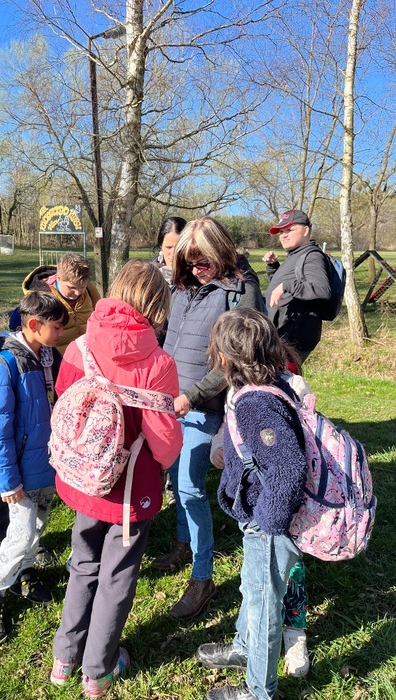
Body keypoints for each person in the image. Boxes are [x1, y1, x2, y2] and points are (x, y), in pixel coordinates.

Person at [50, 260, 183, 697]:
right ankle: (98, 669)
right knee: (117, 575)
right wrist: (164, 463)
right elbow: (164, 441)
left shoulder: (80, 345)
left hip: (83, 478)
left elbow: (64, 400)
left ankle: (64, 657)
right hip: (129, 488)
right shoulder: (158, 362)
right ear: (157, 305)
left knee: (82, 563)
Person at [151, 217, 264, 620]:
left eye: (204, 261)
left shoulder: (240, 291)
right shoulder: (181, 287)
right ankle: (184, 543)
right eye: (190, 261)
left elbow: (235, 359)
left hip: (203, 407)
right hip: (170, 403)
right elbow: (167, 338)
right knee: (176, 479)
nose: (198, 269)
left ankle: (203, 578)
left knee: (189, 487)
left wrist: (193, 395)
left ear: (222, 251)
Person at [196, 307, 307, 700]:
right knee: (253, 585)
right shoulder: (266, 386)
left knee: (264, 605)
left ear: (226, 357)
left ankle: (260, 690)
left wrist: (268, 523)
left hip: (268, 522)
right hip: (259, 516)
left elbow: (288, 467)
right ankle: (244, 648)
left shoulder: (255, 403)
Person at [0, 291, 68, 642]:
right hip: (20, 474)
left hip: (44, 464)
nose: (61, 333)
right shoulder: (5, 365)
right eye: (57, 327)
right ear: (34, 324)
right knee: (21, 533)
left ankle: (23, 573)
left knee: (38, 526)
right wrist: (8, 482)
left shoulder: (47, 356)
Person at [263, 209, 332, 363]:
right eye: (281, 232)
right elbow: (285, 289)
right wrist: (273, 267)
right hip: (284, 335)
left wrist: (286, 285)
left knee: (278, 378)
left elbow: (322, 290)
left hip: (294, 339)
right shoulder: (296, 254)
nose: (283, 235)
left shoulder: (312, 256)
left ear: (305, 230)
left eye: (289, 230)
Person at [151, 216, 187, 505]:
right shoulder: (151, 275)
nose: (173, 254)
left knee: (177, 420)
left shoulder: (196, 276)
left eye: (179, 246)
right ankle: (155, 475)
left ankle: (175, 480)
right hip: (152, 356)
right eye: (168, 247)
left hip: (182, 359)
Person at [10, 253, 100, 354]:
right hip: (56, 360)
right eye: (71, 287)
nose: (78, 292)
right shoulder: (40, 302)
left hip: (89, 357)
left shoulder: (91, 292)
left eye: (82, 287)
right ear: (58, 278)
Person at [152, 216, 187, 284]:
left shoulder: (198, 275)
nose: (173, 254)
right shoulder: (149, 275)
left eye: (178, 248)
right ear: (161, 246)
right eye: (168, 247)